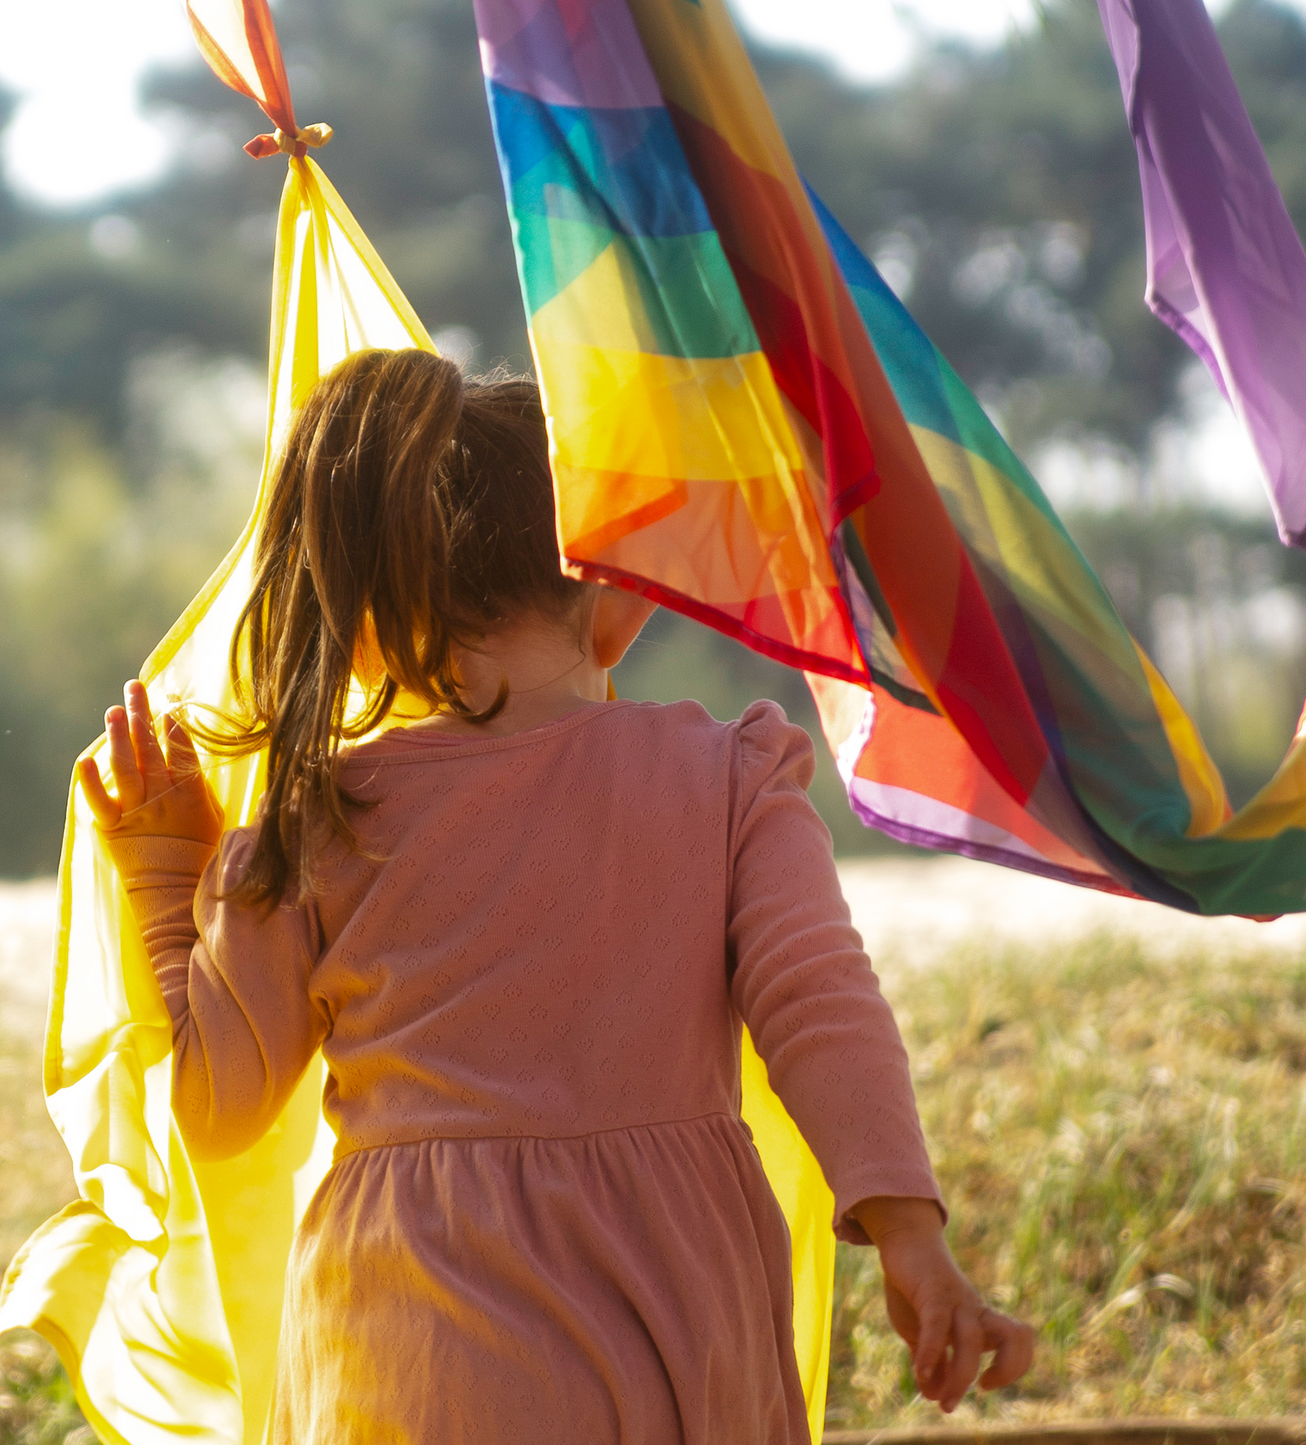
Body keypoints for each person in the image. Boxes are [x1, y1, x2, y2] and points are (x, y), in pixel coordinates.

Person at [79, 347, 1033, 1445]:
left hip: (408, 1334)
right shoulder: (726, 776)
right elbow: (819, 1002)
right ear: (619, 598)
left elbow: (220, 1100)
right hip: (677, 1301)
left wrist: (165, 868)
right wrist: (907, 1231)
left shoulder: (317, 822)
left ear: (369, 625)